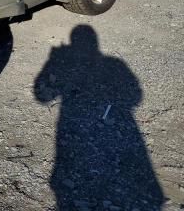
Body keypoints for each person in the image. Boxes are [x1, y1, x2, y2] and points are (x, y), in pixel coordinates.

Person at [34, 25, 164, 210]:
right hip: (116, 133)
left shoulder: (106, 64)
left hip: (70, 131)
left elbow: (42, 97)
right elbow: (137, 97)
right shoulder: (115, 64)